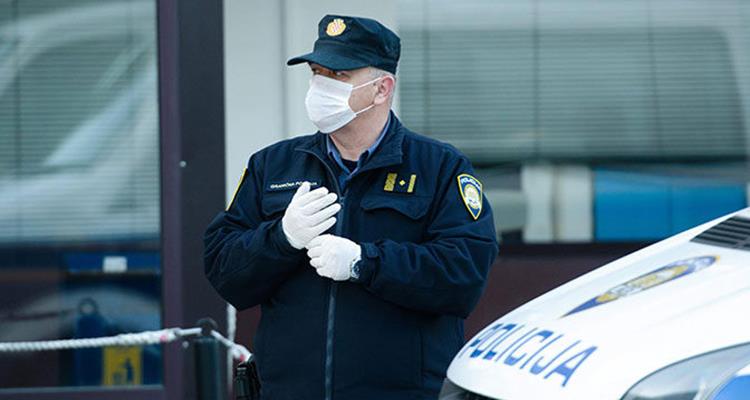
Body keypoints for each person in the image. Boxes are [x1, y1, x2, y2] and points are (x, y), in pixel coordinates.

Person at [204, 14, 498, 400]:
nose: (320, 85)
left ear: (381, 89)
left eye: (338, 74)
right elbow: (225, 273)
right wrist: (281, 237)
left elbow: (464, 275)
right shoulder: (273, 166)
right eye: (317, 72)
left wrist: (365, 263)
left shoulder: (438, 167)